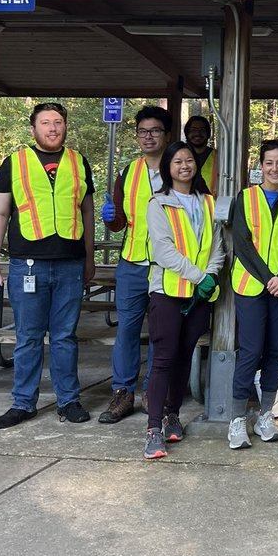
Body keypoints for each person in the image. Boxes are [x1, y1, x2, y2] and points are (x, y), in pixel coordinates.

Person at [0, 102, 95, 429]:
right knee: (28, 337)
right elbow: (0, 212)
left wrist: (90, 257)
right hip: (28, 265)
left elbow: (87, 211)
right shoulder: (14, 163)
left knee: (65, 336)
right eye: (45, 123)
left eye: (58, 122)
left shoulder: (79, 161)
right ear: (33, 128)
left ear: (65, 126)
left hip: (70, 264)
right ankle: (23, 403)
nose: (53, 128)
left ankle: (69, 401)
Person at [143, 141, 225, 459]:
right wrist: (199, 277)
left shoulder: (209, 202)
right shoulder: (158, 203)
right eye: (177, 161)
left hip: (199, 296)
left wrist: (211, 275)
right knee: (163, 359)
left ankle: (172, 415)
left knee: (184, 357)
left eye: (189, 160)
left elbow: (217, 245)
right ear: (168, 167)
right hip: (168, 293)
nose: (184, 166)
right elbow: (164, 251)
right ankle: (153, 429)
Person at [228, 139, 278, 449]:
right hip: (252, 285)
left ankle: (266, 415)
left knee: (276, 350)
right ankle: (237, 419)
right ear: (260, 166)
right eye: (269, 163)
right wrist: (269, 279)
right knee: (250, 350)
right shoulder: (245, 198)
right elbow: (242, 243)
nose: (274, 168)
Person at [98, 105, 172, 423]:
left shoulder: (180, 168)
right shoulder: (128, 173)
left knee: (160, 333)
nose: (148, 137)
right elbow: (118, 224)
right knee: (127, 331)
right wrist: (110, 217)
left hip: (167, 266)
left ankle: (152, 392)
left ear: (167, 135)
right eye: (143, 131)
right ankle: (122, 393)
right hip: (132, 263)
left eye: (155, 130)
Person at [183, 115, 217, 194]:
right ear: (187, 133)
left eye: (202, 130)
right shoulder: (177, 155)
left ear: (208, 133)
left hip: (211, 201)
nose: (198, 133)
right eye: (193, 130)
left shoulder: (218, 157)